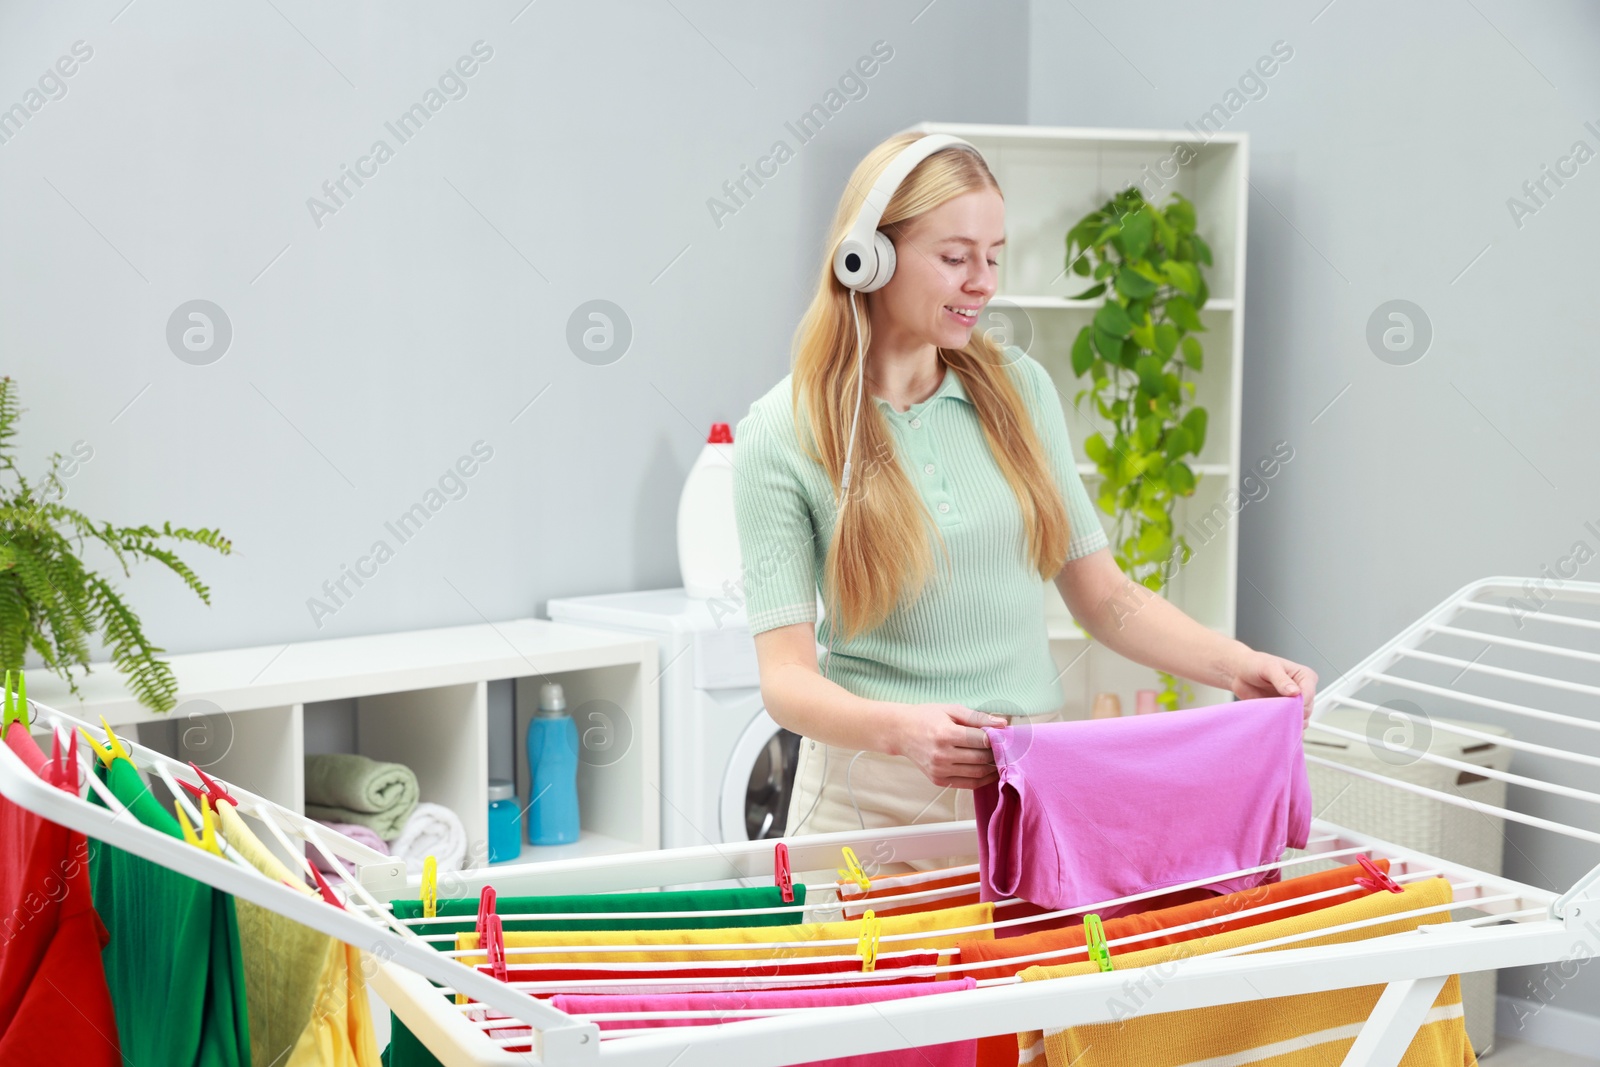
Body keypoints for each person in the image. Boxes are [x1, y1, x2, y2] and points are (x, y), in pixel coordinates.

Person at [730, 131, 1316, 874]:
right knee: (885, 993)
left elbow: (1104, 598)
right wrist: (900, 729)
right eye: (955, 256)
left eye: (994, 255)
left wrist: (1239, 664)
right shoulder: (783, 431)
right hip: (867, 801)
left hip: (1026, 784)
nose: (982, 281)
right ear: (867, 256)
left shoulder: (1019, 390)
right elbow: (784, 680)